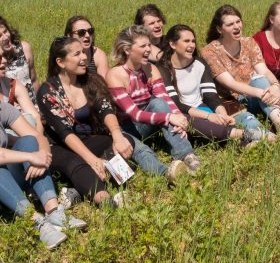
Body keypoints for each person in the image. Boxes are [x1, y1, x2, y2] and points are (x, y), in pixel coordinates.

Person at [0, 64, 84, 250]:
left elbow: (36, 137)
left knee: (27, 140)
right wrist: (29, 157)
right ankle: (35, 221)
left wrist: (42, 157)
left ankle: (53, 210)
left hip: (9, 183)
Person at [39, 37, 185, 201]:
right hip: (64, 145)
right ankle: (106, 200)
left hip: (91, 139)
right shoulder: (48, 91)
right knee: (78, 163)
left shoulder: (91, 80)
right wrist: (93, 159)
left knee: (126, 142)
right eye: (77, 54)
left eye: (83, 53)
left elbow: (106, 109)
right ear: (60, 62)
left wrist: (117, 136)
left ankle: (143, 179)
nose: (84, 57)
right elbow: (64, 133)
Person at [106, 25, 198, 175]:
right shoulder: (115, 74)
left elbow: (164, 98)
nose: (148, 49)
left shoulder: (151, 68)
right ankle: (166, 173)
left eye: (149, 44)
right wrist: (169, 116)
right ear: (127, 50)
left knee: (158, 103)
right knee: (141, 150)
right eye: (143, 46)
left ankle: (187, 155)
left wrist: (179, 118)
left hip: (148, 122)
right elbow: (134, 114)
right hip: (126, 128)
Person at [158, 25, 269, 145]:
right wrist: (208, 116)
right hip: (183, 113)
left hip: (202, 107)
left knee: (228, 118)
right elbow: (176, 104)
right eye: (186, 41)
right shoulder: (162, 69)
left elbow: (210, 95)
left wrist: (222, 114)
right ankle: (244, 136)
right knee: (192, 122)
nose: (191, 45)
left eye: (193, 41)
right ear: (172, 44)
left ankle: (254, 139)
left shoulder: (199, 63)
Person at [201, 5, 280, 138]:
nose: (236, 27)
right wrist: (260, 93)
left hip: (256, 96)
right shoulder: (210, 51)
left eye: (238, 22)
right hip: (231, 101)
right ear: (219, 29)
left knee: (260, 79)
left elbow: (263, 70)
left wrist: (274, 85)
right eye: (230, 24)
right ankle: (267, 137)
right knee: (248, 120)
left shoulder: (249, 42)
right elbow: (230, 83)